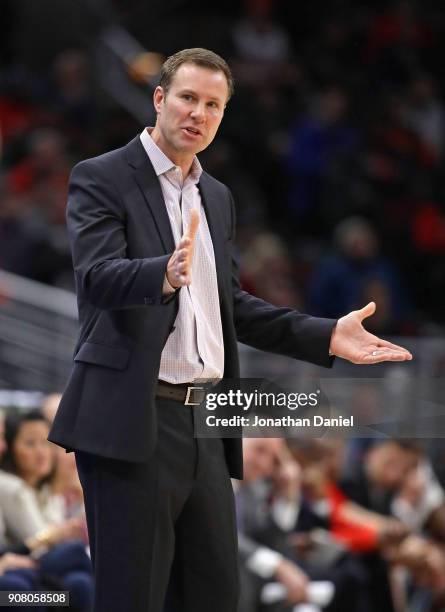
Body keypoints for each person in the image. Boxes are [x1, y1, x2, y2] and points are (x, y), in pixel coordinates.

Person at [47, 47, 412, 612]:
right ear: (160, 99)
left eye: (213, 105)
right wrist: (163, 274)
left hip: (208, 423)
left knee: (216, 595)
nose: (199, 113)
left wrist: (324, 335)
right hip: (133, 418)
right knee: (132, 598)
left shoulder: (215, 196)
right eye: (188, 98)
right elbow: (95, 278)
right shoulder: (101, 177)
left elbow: (231, 307)